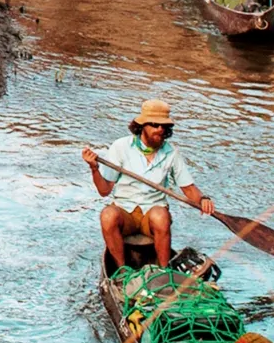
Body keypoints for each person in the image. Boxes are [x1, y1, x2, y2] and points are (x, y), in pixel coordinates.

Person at [84, 97, 217, 269]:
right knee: (108, 215)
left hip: (152, 216)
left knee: (161, 216)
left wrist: (203, 200)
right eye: (154, 125)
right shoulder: (120, 147)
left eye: (164, 126)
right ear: (142, 126)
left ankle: (163, 271)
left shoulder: (171, 153)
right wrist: (94, 168)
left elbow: (189, 188)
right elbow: (104, 190)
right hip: (125, 213)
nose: (160, 129)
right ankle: (121, 271)